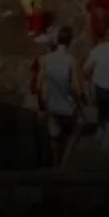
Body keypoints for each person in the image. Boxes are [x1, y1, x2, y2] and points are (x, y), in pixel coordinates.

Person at [41, 27, 83, 163]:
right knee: (71, 135)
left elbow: (39, 86)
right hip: (68, 107)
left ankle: (56, 163)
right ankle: (64, 164)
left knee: (54, 138)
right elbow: (77, 88)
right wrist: (80, 103)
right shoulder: (72, 61)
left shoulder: (45, 59)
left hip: (52, 105)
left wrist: (44, 101)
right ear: (70, 42)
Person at [85, 25, 109, 148]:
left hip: (99, 87)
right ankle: (107, 137)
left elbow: (87, 67)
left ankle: (99, 131)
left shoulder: (97, 50)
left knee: (101, 110)